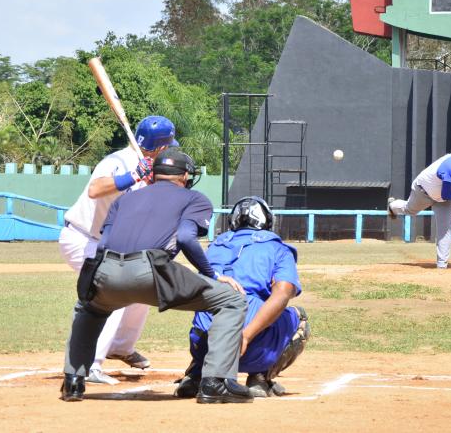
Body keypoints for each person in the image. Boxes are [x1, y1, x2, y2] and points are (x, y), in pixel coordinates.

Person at [60, 148, 253, 404]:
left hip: (106, 269)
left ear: (154, 174)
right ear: (185, 175)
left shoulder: (124, 199)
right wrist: (212, 275)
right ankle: (214, 383)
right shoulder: (194, 198)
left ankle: (73, 381)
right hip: (150, 271)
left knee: (89, 308)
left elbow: (104, 243)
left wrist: (95, 280)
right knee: (231, 300)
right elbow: (185, 237)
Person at [58, 115, 178, 384]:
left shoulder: (152, 170)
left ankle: (120, 347)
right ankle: (90, 365)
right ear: (160, 147)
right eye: (169, 146)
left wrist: (148, 182)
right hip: (82, 238)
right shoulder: (117, 162)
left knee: (142, 288)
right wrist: (133, 175)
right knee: (115, 290)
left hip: (107, 243)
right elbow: (95, 189)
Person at [173, 196, 309, 399]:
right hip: (250, 349)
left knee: (209, 310)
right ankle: (260, 377)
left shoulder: (215, 246)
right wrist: (245, 336)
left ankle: (197, 372)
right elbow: (282, 293)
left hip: (205, 347)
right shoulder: (277, 248)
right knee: (299, 317)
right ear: (266, 222)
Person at [387, 137, 451, 269]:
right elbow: (446, 194)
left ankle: (442, 265)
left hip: (443, 199)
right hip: (423, 191)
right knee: (410, 210)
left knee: (445, 229)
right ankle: (392, 206)